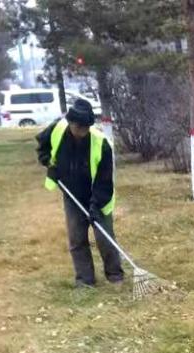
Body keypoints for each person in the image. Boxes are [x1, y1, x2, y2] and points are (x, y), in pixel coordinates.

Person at [36, 98, 122, 288]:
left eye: (85, 128)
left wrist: (95, 206)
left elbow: (104, 181)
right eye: (78, 127)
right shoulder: (58, 129)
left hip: (98, 194)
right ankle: (85, 280)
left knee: (104, 237)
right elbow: (42, 144)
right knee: (77, 238)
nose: (81, 132)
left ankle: (115, 275)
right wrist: (47, 160)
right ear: (71, 122)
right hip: (71, 193)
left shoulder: (101, 145)